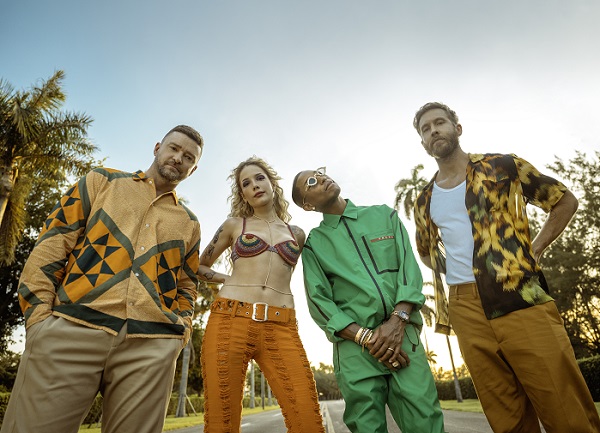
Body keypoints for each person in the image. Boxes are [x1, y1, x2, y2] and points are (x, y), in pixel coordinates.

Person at [2, 125, 204, 433]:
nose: (179, 158)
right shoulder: (102, 181)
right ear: (157, 147)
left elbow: (187, 283)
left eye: (188, 157)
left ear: (194, 169)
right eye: (174, 148)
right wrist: (38, 318)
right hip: (72, 327)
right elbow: (53, 242)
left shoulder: (189, 223)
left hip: (150, 345)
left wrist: (180, 332)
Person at [412, 101, 600, 433]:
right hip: (464, 307)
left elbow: (564, 201)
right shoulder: (424, 200)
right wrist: (459, 270)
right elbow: (426, 252)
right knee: (506, 415)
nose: (433, 131)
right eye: (425, 129)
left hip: (519, 293)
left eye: (439, 122)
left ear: (457, 128)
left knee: (564, 405)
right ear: (423, 143)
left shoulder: (503, 166)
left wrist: (535, 249)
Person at [292, 167, 445, 433]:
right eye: (312, 182)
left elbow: (409, 269)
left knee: (426, 423)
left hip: (402, 337)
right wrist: (368, 338)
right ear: (307, 205)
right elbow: (319, 302)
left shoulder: (384, 215)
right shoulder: (314, 245)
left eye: (320, 172)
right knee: (367, 428)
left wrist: (397, 321)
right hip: (355, 349)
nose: (322, 178)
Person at [198, 156, 324, 433]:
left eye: (259, 178)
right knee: (221, 424)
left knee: (308, 421)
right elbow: (199, 266)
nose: (254, 185)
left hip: (281, 325)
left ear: (272, 184)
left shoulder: (297, 234)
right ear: (242, 195)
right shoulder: (234, 225)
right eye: (246, 183)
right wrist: (228, 279)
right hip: (229, 321)